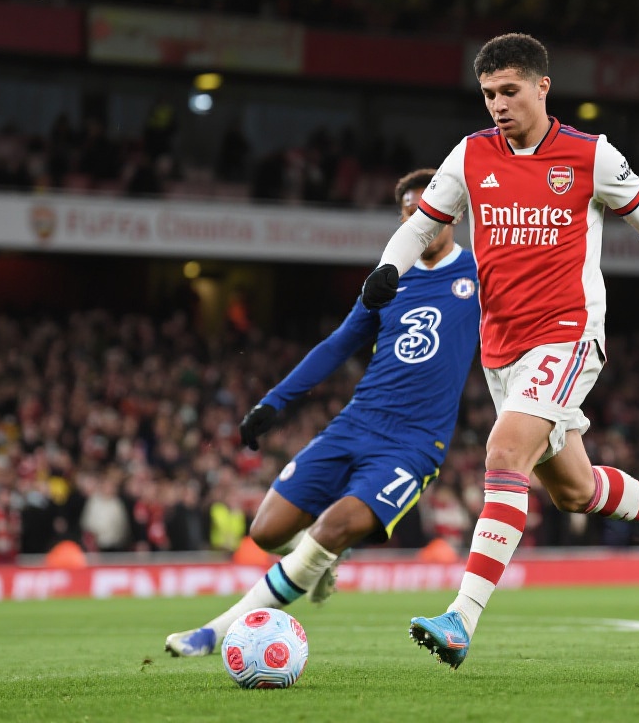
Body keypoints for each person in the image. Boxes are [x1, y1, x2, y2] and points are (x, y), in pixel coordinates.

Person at [360, 33, 639, 670]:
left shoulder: (590, 155)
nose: (498, 104)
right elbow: (420, 226)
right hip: (500, 348)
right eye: (489, 94)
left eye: (510, 91)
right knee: (575, 491)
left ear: (541, 87)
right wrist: (388, 268)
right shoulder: (471, 154)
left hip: (568, 333)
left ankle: (461, 617)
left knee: (504, 453)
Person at [165, 168, 480, 656]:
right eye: (410, 214)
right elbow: (338, 344)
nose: (420, 221)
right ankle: (322, 559)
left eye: (430, 212)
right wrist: (275, 401)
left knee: (329, 529)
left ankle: (214, 632)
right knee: (266, 531)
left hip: (413, 444)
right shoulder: (389, 277)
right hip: (357, 421)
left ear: (452, 215)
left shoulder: (480, 274)